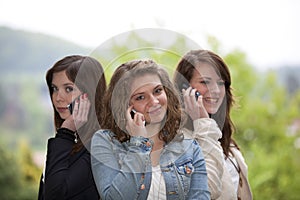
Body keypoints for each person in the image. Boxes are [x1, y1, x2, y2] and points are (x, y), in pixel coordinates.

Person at [91, 59, 210, 199]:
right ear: (124, 105)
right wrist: (138, 143)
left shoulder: (190, 147)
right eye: (140, 97)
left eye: (157, 91)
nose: (154, 102)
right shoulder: (105, 141)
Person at [173, 50, 252, 200]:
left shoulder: (220, 133)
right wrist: (203, 123)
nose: (215, 90)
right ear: (184, 87)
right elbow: (206, 190)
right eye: (205, 82)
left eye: (221, 83)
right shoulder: (177, 140)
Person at [38, 55, 106, 200]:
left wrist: (66, 132)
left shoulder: (99, 145)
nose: (58, 97)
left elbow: (55, 194)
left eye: (68, 89)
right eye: (54, 88)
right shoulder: (72, 140)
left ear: (90, 93)